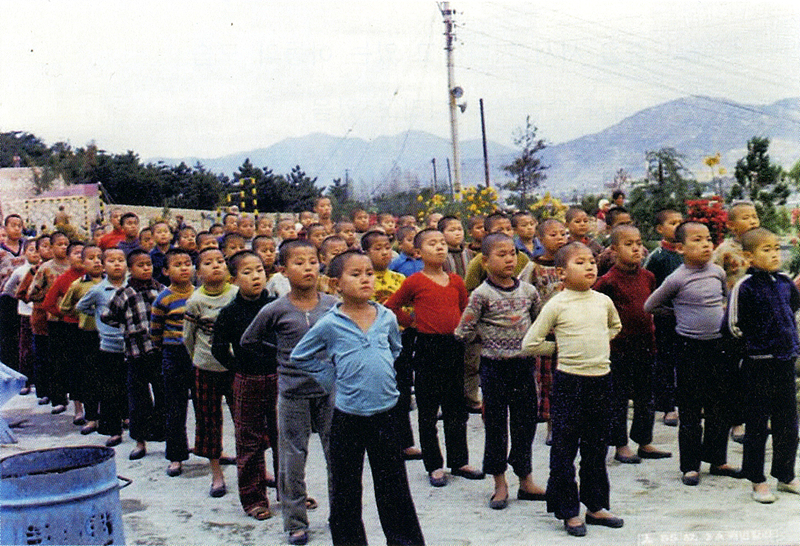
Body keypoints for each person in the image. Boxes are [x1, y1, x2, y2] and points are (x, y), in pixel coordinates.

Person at [291, 250, 426, 546]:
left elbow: (394, 349)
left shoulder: (387, 317)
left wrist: (380, 372)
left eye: (369, 273)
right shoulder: (330, 323)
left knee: (394, 486)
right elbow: (300, 356)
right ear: (336, 283)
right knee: (345, 490)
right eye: (356, 274)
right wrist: (332, 380)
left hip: (386, 414)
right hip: (347, 417)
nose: (365, 279)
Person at [522, 242, 624, 537]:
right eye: (580, 262)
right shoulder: (557, 303)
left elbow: (614, 327)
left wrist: (599, 341)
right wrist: (560, 347)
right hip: (570, 382)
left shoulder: (602, 301)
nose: (590, 266)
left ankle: (596, 506)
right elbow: (530, 343)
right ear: (561, 273)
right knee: (565, 447)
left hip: (601, 379)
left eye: (592, 261)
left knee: (596, 446)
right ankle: (568, 511)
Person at [240, 239, 337, 546]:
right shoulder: (275, 309)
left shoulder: (333, 305)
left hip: (330, 394)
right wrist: (284, 359)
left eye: (312, 261)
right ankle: (295, 521)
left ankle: (341, 514)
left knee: (337, 455)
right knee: (293, 458)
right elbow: (249, 341)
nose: (307, 268)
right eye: (299, 263)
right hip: (292, 394)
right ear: (282, 270)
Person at [644, 221, 741, 486]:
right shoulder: (677, 277)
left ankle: (717, 460)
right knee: (689, 408)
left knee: (719, 406)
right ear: (680, 248)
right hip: (689, 349)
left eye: (708, 239)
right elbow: (651, 305)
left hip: (718, 346)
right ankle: (690, 466)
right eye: (697, 240)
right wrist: (679, 315)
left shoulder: (717, 272)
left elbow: (724, 298)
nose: (706, 245)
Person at [386, 229, 484, 487]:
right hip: (427, 346)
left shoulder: (455, 280)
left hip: (453, 345)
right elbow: (391, 306)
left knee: (456, 406)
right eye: (432, 244)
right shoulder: (415, 281)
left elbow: (464, 310)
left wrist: (465, 332)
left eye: (442, 243)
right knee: (428, 409)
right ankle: (434, 464)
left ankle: (459, 460)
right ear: (418, 252)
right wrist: (412, 323)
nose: (440, 247)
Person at [455, 233, 544, 510]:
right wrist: (484, 338)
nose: (509, 259)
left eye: (512, 254)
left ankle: (526, 479)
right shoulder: (481, 295)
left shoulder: (528, 291)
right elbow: (462, 331)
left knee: (525, 423)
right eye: (501, 254)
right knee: (495, 426)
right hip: (494, 368)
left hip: (524, 366)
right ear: (484, 261)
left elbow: (541, 323)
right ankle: (500, 483)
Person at [726, 228, 800, 503]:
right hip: (758, 366)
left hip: (784, 363)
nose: (774, 254)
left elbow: (792, 310)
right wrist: (755, 348)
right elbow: (733, 328)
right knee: (757, 425)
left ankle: (785, 475)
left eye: (776, 249)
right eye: (766, 250)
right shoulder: (743, 287)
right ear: (748, 256)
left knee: (788, 424)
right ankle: (757, 479)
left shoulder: (784, 282)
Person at [594, 225, 672, 464]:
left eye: (638, 243)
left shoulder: (648, 277)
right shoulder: (607, 281)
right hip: (618, 349)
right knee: (617, 398)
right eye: (629, 245)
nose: (636, 248)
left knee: (645, 397)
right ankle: (621, 445)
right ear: (615, 249)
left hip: (646, 346)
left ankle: (644, 442)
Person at [211, 250, 278, 520]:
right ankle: (254, 499)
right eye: (247, 272)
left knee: (284, 438)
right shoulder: (229, 312)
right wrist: (237, 368)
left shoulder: (277, 306)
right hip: (246, 381)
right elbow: (218, 348)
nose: (255, 277)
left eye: (259, 270)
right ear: (234, 278)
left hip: (279, 379)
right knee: (248, 442)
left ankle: (290, 492)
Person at [183, 247, 239, 498]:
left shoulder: (237, 295)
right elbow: (188, 337)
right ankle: (216, 473)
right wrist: (200, 359)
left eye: (220, 261)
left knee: (244, 420)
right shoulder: (195, 301)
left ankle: (255, 468)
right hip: (206, 367)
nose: (216, 266)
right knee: (209, 420)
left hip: (236, 367)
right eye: (208, 262)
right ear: (198, 272)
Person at [361, 229, 421, 460]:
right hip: (372, 341)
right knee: (374, 389)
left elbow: (409, 307)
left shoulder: (399, 278)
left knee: (402, 389)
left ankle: (405, 442)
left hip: (401, 337)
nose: (385, 253)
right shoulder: (363, 279)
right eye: (377, 249)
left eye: (387, 247)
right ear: (365, 252)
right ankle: (375, 442)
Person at [101, 249, 166, 460]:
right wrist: (127, 327)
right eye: (141, 265)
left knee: (164, 395)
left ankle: (165, 437)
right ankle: (139, 441)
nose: (146, 268)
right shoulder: (124, 293)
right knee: (138, 399)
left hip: (159, 352)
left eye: (149, 264)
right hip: (135, 353)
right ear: (131, 269)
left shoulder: (161, 290)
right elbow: (107, 316)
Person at [518, 218, 568, 444]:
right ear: (540, 239)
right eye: (553, 234)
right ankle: (551, 425)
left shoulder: (571, 263)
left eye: (562, 233)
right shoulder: (533, 267)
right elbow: (522, 294)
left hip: (570, 331)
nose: (560, 238)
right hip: (546, 332)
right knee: (548, 382)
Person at [713, 201, 760, 444]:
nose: (752, 221)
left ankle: (758, 417)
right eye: (746, 217)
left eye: (754, 216)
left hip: (760, 319)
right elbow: (712, 278)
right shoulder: (724, 251)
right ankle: (736, 422)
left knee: (757, 371)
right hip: (733, 319)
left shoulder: (761, 248)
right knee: (733, 372)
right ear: (731, 225)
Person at [150, 248, 195, 477]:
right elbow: (155, 332)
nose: (184, 268)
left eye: (187, 263)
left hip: (197, 356)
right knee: (175, 407)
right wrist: (165, 350)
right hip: (173, 355)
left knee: (206, 407)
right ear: (166, 271)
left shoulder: (200, 295)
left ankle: (210, 450)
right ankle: (176, 456)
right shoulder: (163, 298)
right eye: (177, 264)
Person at [76, 248, 127, 447]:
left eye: (120, 260)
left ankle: (129, 419)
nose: (116, 264)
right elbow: (81, 307)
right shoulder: (98, 290)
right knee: (110, 389)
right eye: (112, 261)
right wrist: (99, 318)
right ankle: (113, 430)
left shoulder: (132, 287)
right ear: (104, 266)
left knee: (129, 386)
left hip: (131, 344)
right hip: (108, 345)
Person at [58, 244, 104, 436]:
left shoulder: (111, 282)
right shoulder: (78, 285)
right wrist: (82, 314)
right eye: (91, 258)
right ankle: (92, 417)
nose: (96, 261)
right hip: (87, 334)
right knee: (90, 376)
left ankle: (115, 415)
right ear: (83, 262)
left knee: (111, 376)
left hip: (109, 335)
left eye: (100, 258)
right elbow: (64, 308)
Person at [643, 209, 684, 427]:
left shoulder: (688, 253)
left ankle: (684, 402)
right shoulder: (657, 257)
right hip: (665, 318)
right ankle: (668, 407)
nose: (678, 226)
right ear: (660, 229)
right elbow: (647, 285)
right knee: (666, 361)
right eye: (672, 223)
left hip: (687, 317)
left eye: (681, 222)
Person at [41, 240, 85, 418]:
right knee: (74, 367)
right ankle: (78, 408)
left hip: (94, 329)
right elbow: (48, 303)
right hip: (71, 328)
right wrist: (65, 314)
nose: (81, 258)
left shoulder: (97, 277)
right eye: (76, 254)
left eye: (85, 254)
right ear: (68, 257)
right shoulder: (64, 278)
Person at [3, 239, 39, 394]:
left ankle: (42, 382)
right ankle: (26, 381)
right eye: (31, 250)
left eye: (37, 250)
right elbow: (8, 289)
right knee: (26, 349)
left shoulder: (44, 269)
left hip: (41, 314)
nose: (35, 253)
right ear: (24, 253)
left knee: (41, 349)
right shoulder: (20, 271)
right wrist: (20, 299)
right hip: (25, 314)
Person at [150, 221, 173, 286]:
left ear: (171, 235)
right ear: (152, 236)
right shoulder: (151, 255)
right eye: (159, 232)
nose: (163, 234)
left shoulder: (177, 253)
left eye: (165, 232)